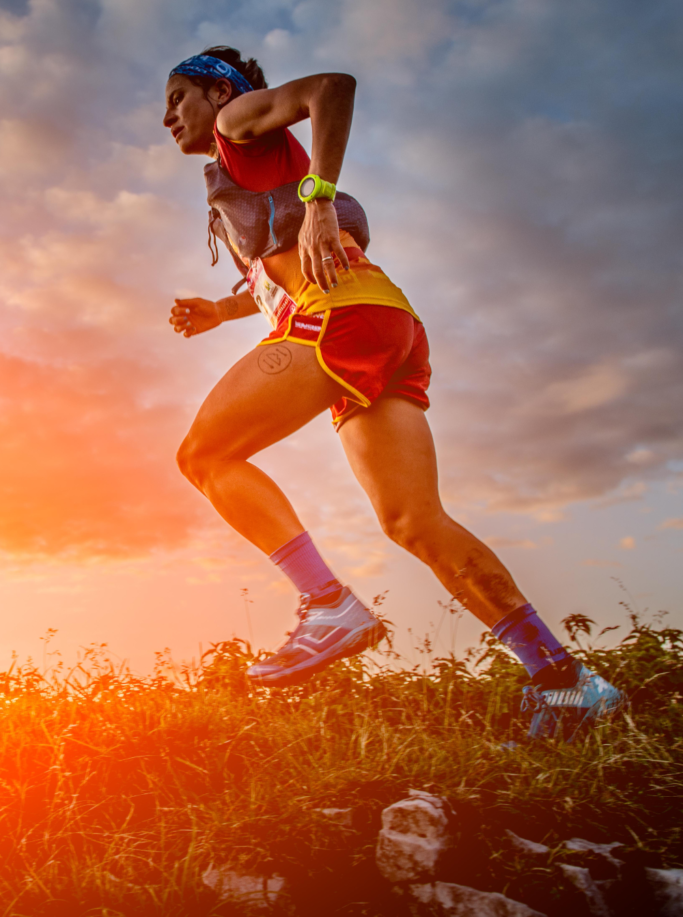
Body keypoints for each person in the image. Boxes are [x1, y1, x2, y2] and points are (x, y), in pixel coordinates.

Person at [163, 46, 623, 738]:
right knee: (414, 522)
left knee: (204, 455)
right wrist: (217, 311)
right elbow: (278, 271)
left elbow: (330, 87)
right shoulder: (244, 169)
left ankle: (327, 604)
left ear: (216, 89)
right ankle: (564, 684)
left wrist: (319, 199)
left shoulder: (237, 120)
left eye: (176, 97)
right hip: (386, 322)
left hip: (339, 317)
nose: (167, 116)